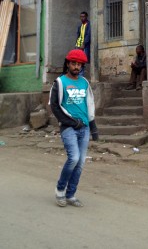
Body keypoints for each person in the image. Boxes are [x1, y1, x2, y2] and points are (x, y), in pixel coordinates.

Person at [49, 49, 99, 208]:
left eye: (79, 64)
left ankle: (71, 194)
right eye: (73, 63)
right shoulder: (59, 82)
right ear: (68, 64)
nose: (76, 66)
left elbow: (89, 105)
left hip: (84, 128)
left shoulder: (84, 83)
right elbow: (55, 107)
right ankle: (60, 190)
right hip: (68, 128)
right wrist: (70, 122)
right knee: (74, 158)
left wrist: (93, 127)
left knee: (80, 163)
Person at [75, 11, 91, 76]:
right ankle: (78, 75)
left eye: (83, 17)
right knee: (77, 61)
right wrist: (76, 44)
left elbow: (88, 35)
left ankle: (81, 76)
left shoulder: (89, 24)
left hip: (84, 46)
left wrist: (84, 44)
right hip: (78, 45)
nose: (82, 18)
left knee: (82, 61)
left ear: (86, 17)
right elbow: (78, 35)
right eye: (81, 17)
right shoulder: (80, 25)